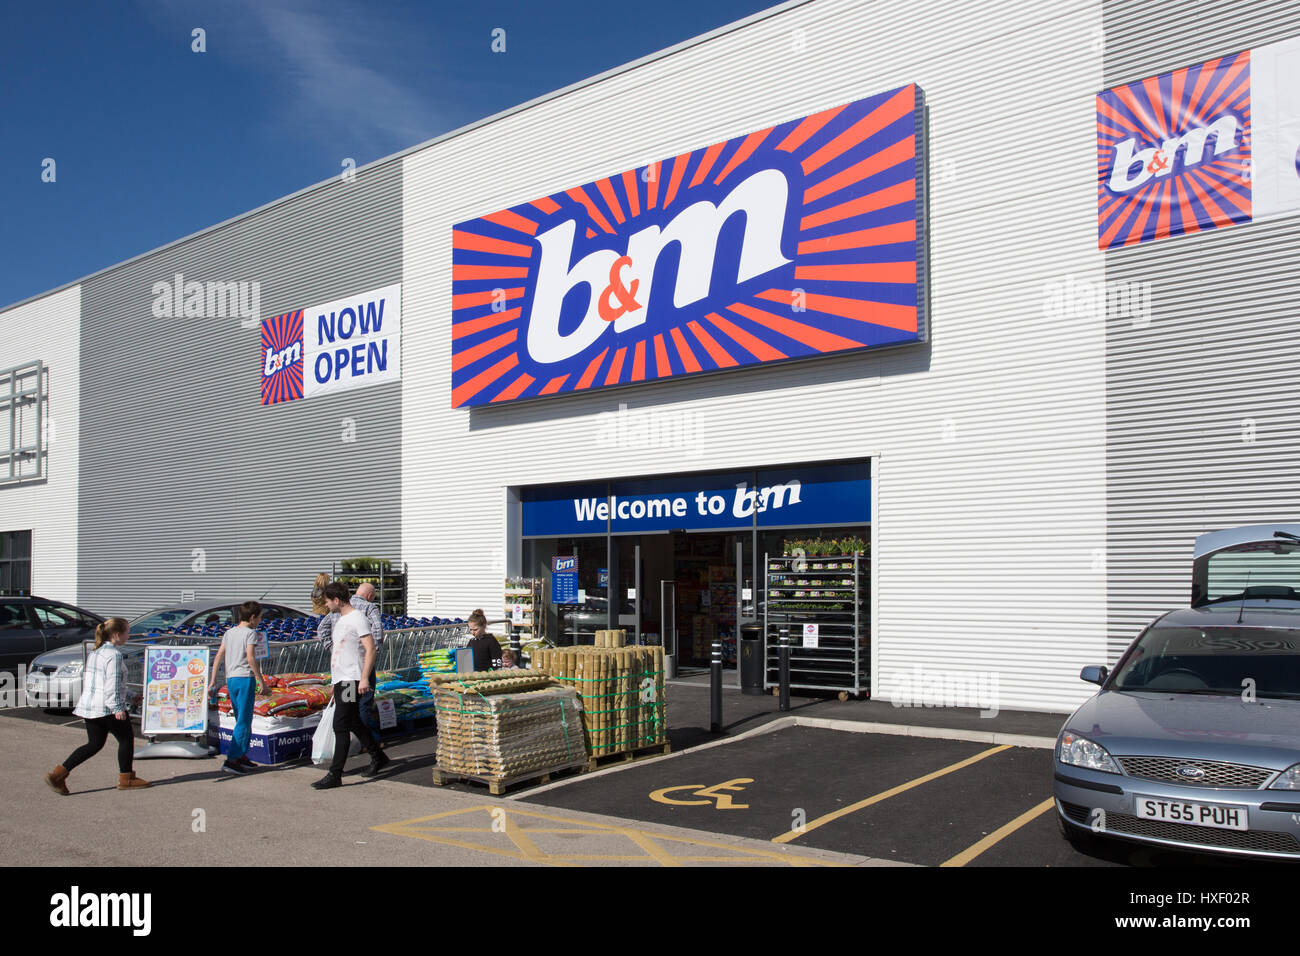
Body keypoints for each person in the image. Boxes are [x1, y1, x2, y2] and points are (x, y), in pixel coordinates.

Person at [45, 617, 150, 794]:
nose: (128, 635)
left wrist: (131, 696)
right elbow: (112, 685)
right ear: (117, 635)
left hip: (90, 705)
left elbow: (102, 682)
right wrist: (118, 708)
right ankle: (127, 778)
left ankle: (58, 774)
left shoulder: (96, 652)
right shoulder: (114, 655)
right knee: (126, 739)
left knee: (94, 744)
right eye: (126, 632)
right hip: (107, 707)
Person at [313, 582, 389, 789]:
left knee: (340, 724)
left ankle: (335, 773)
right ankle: (378, 755)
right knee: (353, 721)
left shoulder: (358, 618)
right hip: (341, 679)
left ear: (336, 600)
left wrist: (364, 678)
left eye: (328, 601)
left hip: (350, 679)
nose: (326, 605)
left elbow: (370, 648)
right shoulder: (342, 619)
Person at [316, 581, 385, 733]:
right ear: (369, 595)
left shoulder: (339, 611)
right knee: (362, 705)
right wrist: (370, 655)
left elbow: (321, 630)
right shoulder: (367, 608)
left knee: (346, 714)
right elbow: (378, 632)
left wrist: (334, 649)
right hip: (359, 668)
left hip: (343, 671)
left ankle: (360, 744)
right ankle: (367, 744)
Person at [210, 601, 269, 775]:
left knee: (240, 718)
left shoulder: (229, 632)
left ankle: (241, 754)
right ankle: (232, 759)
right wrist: (261, 681)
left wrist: (213, 680)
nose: (259, 620)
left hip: (231, 679)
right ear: (252, 617)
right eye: (259, 617)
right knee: (244, 720)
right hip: (245, 678)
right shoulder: (250, 634)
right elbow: (250, 658)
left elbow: (219, 655)